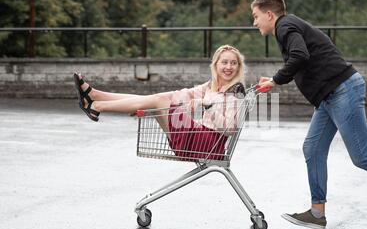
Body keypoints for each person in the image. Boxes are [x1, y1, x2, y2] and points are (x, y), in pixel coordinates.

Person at [251, 0, 367, 229]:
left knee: (362, 156)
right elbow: (303, 57)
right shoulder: (288, 26)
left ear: (270, 14)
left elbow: (300, 55)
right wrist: (276, 78)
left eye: (256, 16)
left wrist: (275, 80)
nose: (254, 22)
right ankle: (317, 213)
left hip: (341, 90)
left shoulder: (285, 25)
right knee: (312, 149)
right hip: (329, 96)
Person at [73, 44, 246, 160]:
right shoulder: (211, 86)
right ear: (216, 65)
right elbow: (180, 95)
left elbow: (230, 129)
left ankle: (97, 105)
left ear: (239, 67)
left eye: (233, 63)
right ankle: (95, 95)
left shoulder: (235, 93)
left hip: (208, 145)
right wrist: (151, 102)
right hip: (196, 137)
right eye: (224, 62)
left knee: (156, 101)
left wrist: (208, 105)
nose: (229, 67)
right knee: (158, 99)